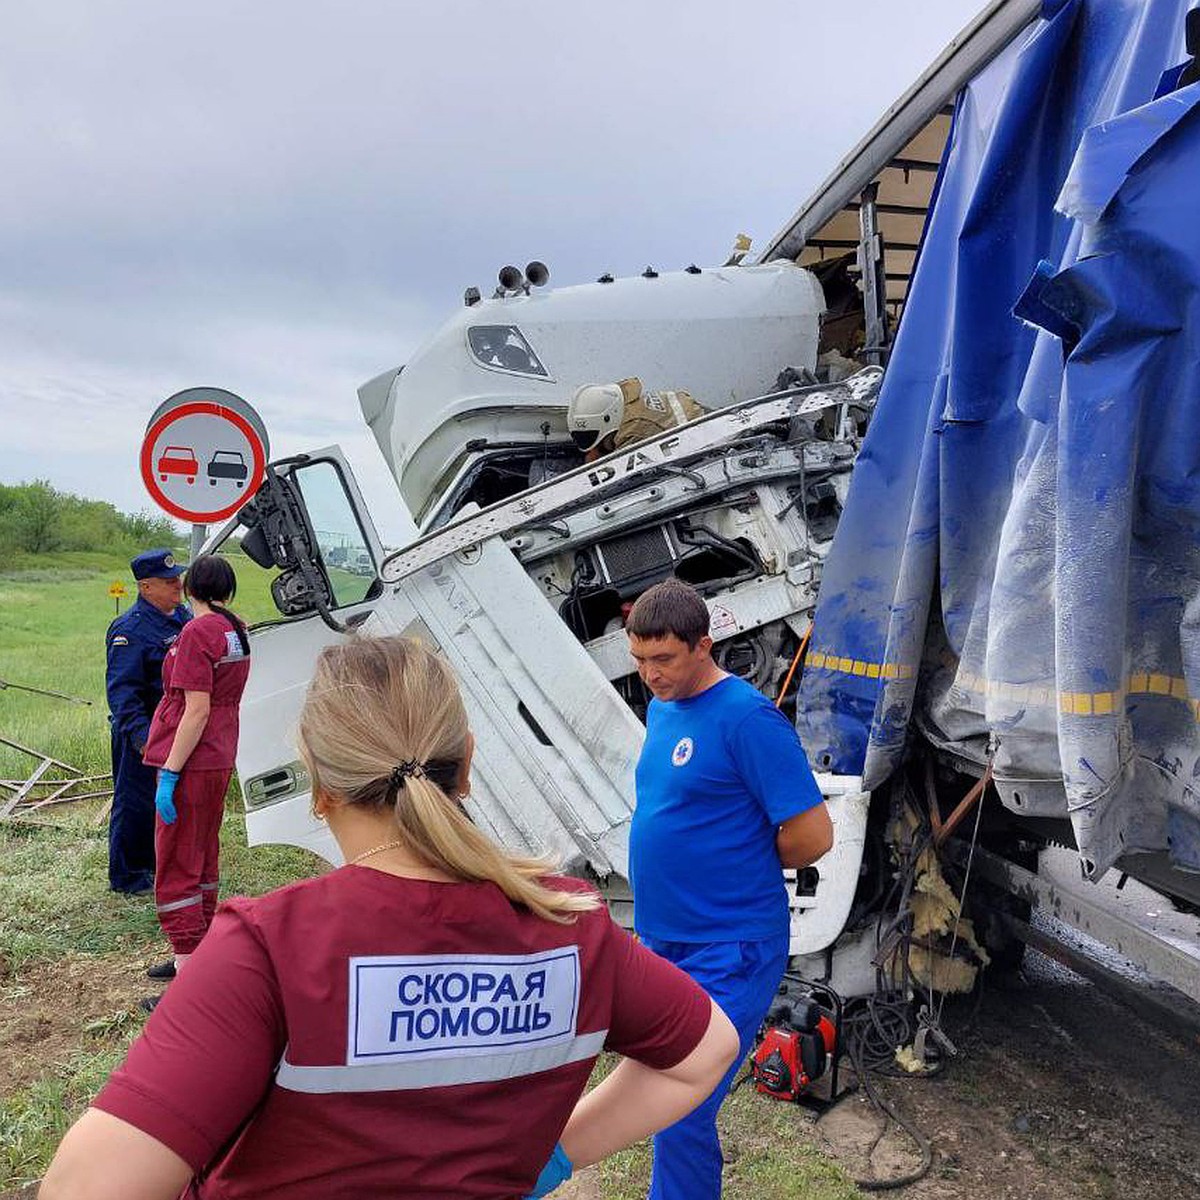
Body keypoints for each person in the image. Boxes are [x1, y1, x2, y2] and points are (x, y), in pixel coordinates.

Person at [39, 636, 740, 1200]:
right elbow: (703, 1054)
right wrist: (550, 1159)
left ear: (318, 783)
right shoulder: (572, 923)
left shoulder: (271, 948)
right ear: (467, 765)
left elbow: (91, 1186)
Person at [625, 578, 835, 1199]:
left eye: (663, 659)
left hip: (731, 947)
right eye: (639, 660)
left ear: (703, 646)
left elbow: (814, 833)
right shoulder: (665, 706)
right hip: (666, 940)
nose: (650, 675)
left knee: (681, 1102)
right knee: (660, 1091)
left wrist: (741, 861)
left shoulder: (747, 719)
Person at [140, 554, 251, 986]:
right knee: (202, 853)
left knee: (176, 859)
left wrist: (170, 772)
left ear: (189, 588)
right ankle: (198, 946)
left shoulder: (198, 631)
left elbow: (195, 709)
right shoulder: (234, 628)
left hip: (192, 757)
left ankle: (188, 966)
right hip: (219, 754)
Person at [104, 549, 190, 894]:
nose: (178, 586)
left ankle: (157, 864)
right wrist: (142, 738)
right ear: (145, 587)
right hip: (142, 731)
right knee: (134, 801)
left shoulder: (180, 616)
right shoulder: (130, 630)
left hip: (175, 728)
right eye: (168, 582)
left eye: (178, 579)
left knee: (168, 801)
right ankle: (127, 876)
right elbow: (123, 693)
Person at [568, 377, 705, 462]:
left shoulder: (635, 430)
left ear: (609, 419)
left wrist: (596, 462)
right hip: (689, 409)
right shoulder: (620, 401)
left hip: (701, 441)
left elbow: (617, 473)